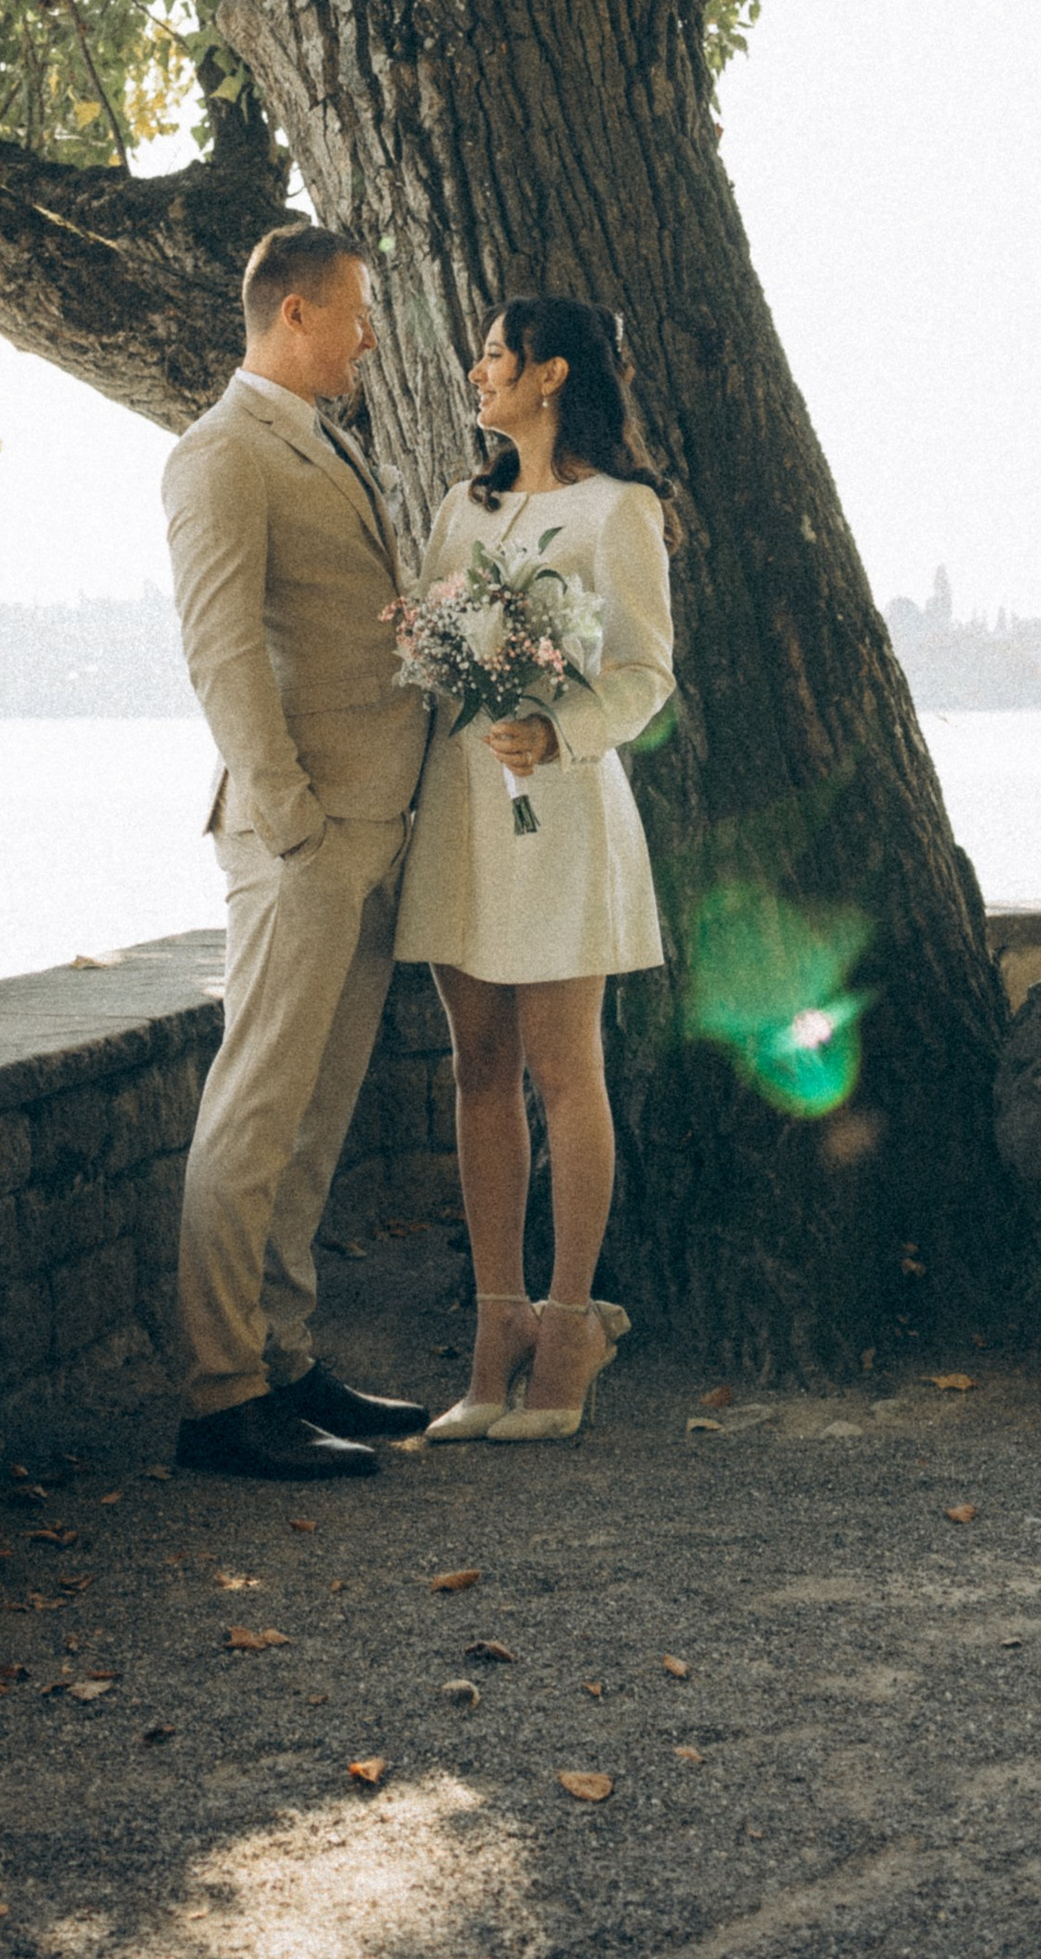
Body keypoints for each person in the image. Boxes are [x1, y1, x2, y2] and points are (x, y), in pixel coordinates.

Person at [163, 222, 435, 1481]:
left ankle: (284, 1358)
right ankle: (222, 1396)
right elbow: (223, 656)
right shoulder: (220, 454)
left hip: (375, 830)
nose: (369, 335)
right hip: (303, 837)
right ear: (294, 318)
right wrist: (296, 824)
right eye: (357, 313)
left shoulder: (326, 441)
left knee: (315, 1119)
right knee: (256, 1110)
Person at [394, 292, 677, 1444]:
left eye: (495, 355)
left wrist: (558, 729)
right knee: (479, 1069)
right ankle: (493, 1330)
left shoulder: (622, 511)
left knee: (566, 1069)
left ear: (551, 374)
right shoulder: (465, 505)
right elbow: (429, 638)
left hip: (558, 806)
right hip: (465, 809)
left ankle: (569, 1330)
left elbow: (648, 671)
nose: (477, 372)